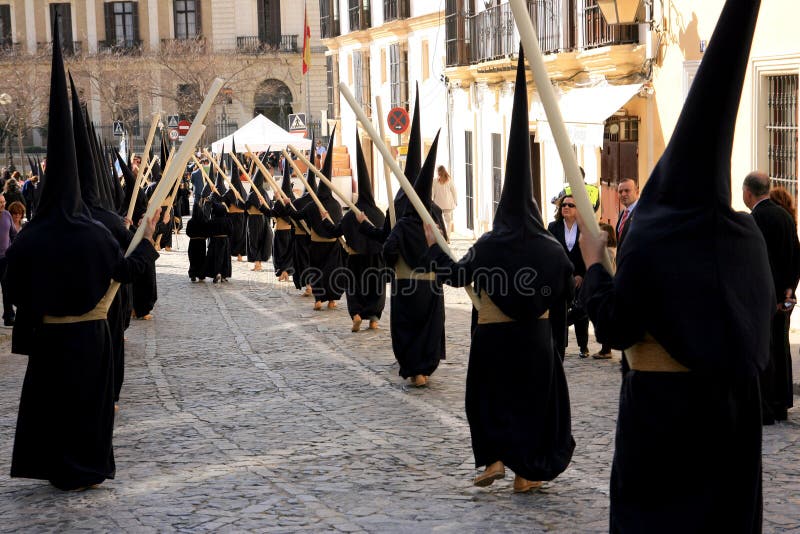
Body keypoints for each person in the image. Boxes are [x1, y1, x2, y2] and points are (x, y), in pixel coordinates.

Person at [579, 1, 772, 530]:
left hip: (663, 422)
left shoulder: (653, 237)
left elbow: (617, 326)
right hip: (731, 422)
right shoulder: (747, 238)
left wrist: (595, 266)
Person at [8, 23, 160, 490]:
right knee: (88, 404)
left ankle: (56, 468)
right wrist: (147, 242)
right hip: (90, 335)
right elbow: (125, 270)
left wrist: (37, 306)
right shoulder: (95, 235)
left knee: (51, 404)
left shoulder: (30, 237)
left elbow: (11, 284)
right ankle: (87, 468)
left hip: (49, 338)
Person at [425, 49, 574, 493]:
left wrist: (434, 247)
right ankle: (526, 472)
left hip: (493, 339)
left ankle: (493, 459)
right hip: (535, 340)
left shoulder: (489, 244)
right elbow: (567, 290)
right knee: (534, 403)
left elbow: (455, 275)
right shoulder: (551, 249)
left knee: (489, 398)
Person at [382, 131, 446, 387]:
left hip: (405, 285)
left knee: (406, 326)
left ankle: (413, 368)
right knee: (429, 327)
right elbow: (444, 248)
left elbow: (388, 249)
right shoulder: (435, 218)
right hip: (430, 286)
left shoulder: (402, 224)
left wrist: (394, 263)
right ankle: (424, 369)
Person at [743, 171, 800, 424]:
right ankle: (782, 403)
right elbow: (795, 257)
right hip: (784, 298)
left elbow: (759, 264)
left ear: (748, 193)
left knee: (765, 350)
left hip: (765, 299)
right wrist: (789, 290)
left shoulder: (754, 220)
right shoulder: (785, 216)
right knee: (781, 347)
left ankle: (766, 406)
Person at [319, 133, 388, 331]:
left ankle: (356, 314)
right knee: (376, 289)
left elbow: (334, 232)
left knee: (354, 288)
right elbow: (385, 235)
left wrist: (325, 219)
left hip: (355, 258)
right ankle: (373, 319)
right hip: (376, 260)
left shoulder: (350, 216)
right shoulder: (379, 213)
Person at [294, 130, 344, 310]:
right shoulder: (336, 205)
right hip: (332, 245)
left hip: (316, 243)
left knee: (317, 271)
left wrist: (288, 204)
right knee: (332, 272)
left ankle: (318, 300)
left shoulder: (311, 205)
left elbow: (297, 216)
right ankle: (331, 300)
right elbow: (339, 225)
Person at [548, 194, 589, 359]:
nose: (566, 207)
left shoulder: (584, 227)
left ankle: (583, 345)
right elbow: (550, 253)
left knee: (580, 311)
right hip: (560, 278)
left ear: (578, 209)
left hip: (580, 277)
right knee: (560, 311)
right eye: (564, 205)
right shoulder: (553, 227)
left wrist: (581, 275)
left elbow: (588, 253)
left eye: (571, 205)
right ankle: (560, 345)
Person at [0, 194, 17, 326]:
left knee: (7, 288)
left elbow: (13, 234)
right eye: (0, 203)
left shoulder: (7, 215)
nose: (3, 205)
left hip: (5, 259)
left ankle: (9, 316)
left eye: (3, 202)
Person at [432, 165, 457, 235]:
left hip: (438, 204)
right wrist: (455, 201)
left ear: (438, 172)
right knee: (448, 221)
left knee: (439, 221)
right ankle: (447, 236)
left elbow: (432, 192)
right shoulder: (449, 180)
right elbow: (454, 191)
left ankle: (442, 236)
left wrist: (431, 200)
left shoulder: (435, 181)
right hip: (448, 204)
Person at [615, 178, 638, 250]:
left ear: (637, 192)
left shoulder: (643, 212)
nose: (623, 194)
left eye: (627, 190)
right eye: (620, 191)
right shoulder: (622, 214)